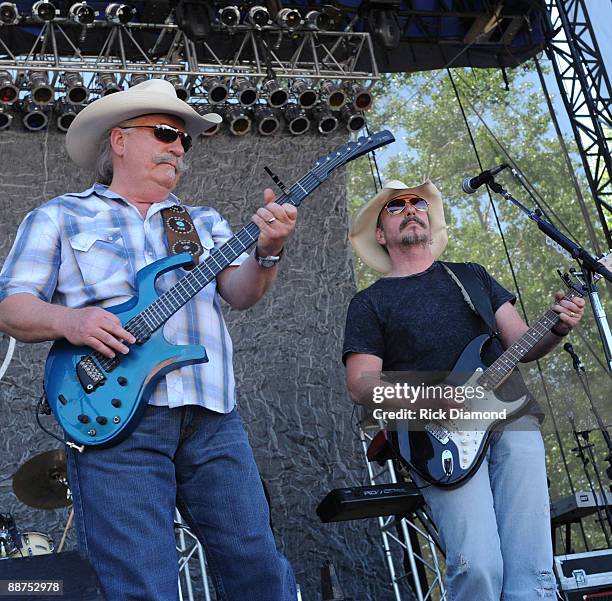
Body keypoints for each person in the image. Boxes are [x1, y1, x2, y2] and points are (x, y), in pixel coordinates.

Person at [0, 79, 297, 601]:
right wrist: (72, 322)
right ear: (119, 140)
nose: (179, 147)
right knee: (140, 585)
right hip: (114, 421)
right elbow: (10, 306)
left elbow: (241, 291)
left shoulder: (201, 221)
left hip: (211, 416)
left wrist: (268, 252)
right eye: (165, 133)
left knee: (259, 572)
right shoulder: (60, 216)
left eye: (184, 140)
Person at [342, 179, 585, 600]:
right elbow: (361, 386)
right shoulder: (370, 304)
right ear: (381, 234)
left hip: (513, 419)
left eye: (418, 203)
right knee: (479, 566)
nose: (411, 209)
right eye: (395, 207)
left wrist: (559, 326)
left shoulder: (470, 277)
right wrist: (433, 399)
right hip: (438, 441)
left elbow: (524, 345)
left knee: (533, 570)